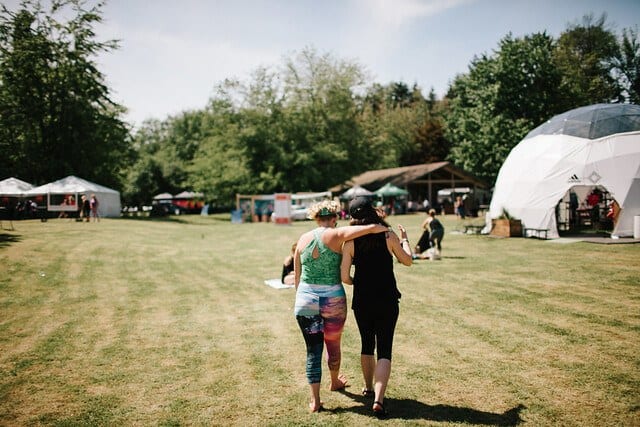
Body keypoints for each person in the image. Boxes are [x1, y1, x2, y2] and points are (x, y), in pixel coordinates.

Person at [293, 199, 388, 413]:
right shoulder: (336, 234)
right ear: (335, 218)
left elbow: (297, 277)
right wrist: (384, 229)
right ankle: (334, 380)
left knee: (313, 351)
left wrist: (301, 298)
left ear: (316, 219)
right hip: (332, 300)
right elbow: (370, 228)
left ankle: (315, 401)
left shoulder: (302, 239)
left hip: (305, 299)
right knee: (332, 344)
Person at [340, 197, 413, 418]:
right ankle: (379, 400)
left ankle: (368, 387)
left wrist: (356, 283)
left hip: (362, 301)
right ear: (372, 211)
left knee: (366, 344)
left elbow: (344, 276)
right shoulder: (387, 235)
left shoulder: (350, 241)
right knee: (385, 349)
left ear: (352, 217)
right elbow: (407, 260)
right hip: (387, 299)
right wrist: (405, 240)